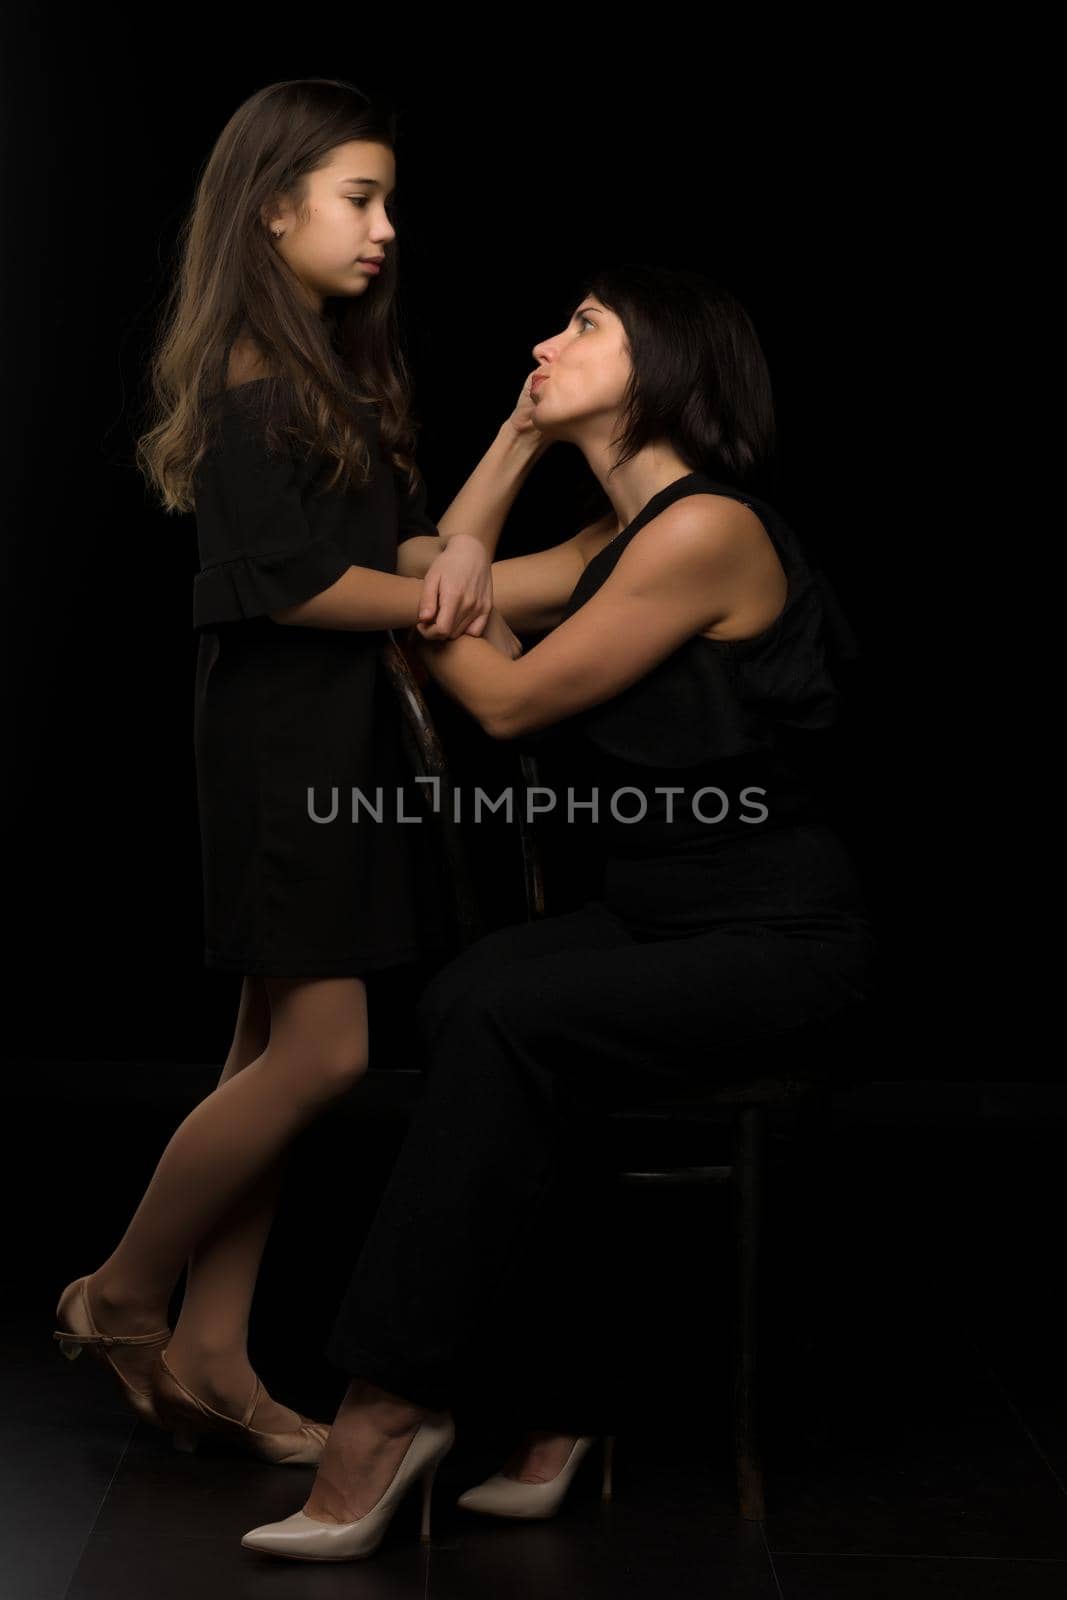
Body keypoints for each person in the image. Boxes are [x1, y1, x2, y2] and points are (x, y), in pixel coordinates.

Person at [239, 266, 878, 1561]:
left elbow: (508, 699)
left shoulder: (708, 532)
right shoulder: (610, 541)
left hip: (774, 938)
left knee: (515, 1015)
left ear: (666, 365)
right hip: (657, 919)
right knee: (466, 994)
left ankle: (387, 1408)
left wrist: (438, 605)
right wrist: (518, 436)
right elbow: (431, 561)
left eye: (582, 325)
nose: (542, 339)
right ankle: (564, 1406)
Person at [50, 79, 538, 1468]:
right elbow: (274, 586)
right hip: (281, 750)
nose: (386, 229)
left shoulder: (327, 368)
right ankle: (121, 1294)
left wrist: (443, 557)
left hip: (329, 740)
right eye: (358, 199)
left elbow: (360, 555)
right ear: (271, 211)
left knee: (267, 1053)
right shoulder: (257, 382)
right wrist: (439, 602)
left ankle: (213, 1352)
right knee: (324, 1053)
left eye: (390, 201)